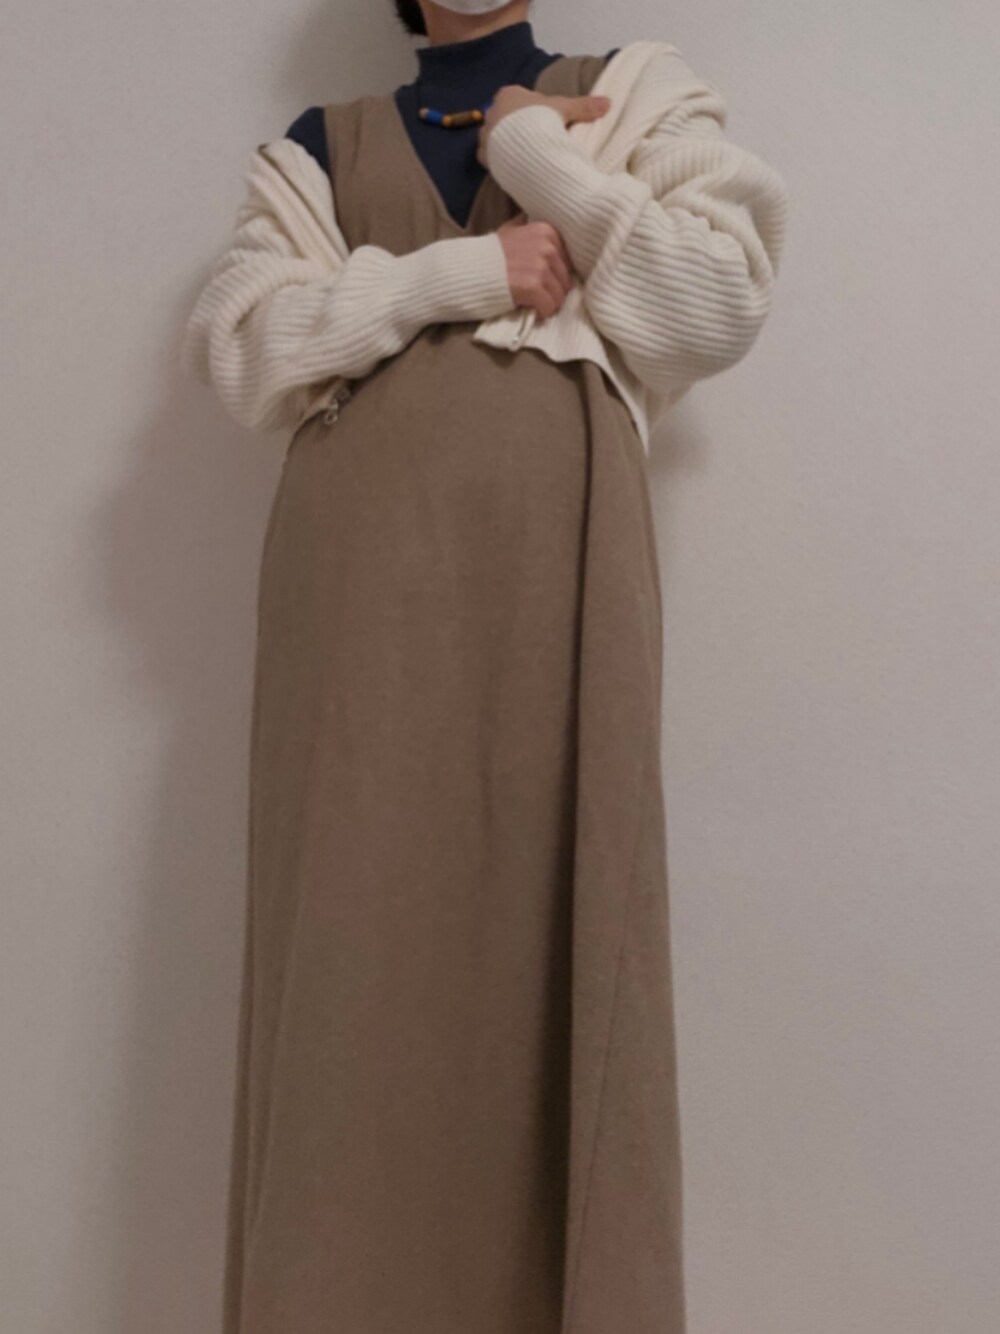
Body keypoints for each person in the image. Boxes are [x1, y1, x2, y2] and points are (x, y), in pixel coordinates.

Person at [181, 3, 789, 1332]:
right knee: (347, 953)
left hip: (560, 583)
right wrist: (458, 276)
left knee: (567, 931)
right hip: (353, 605)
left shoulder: (632, 96)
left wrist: (532, 154)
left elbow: (711, 303)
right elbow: (241, 348)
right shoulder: (320, 146)